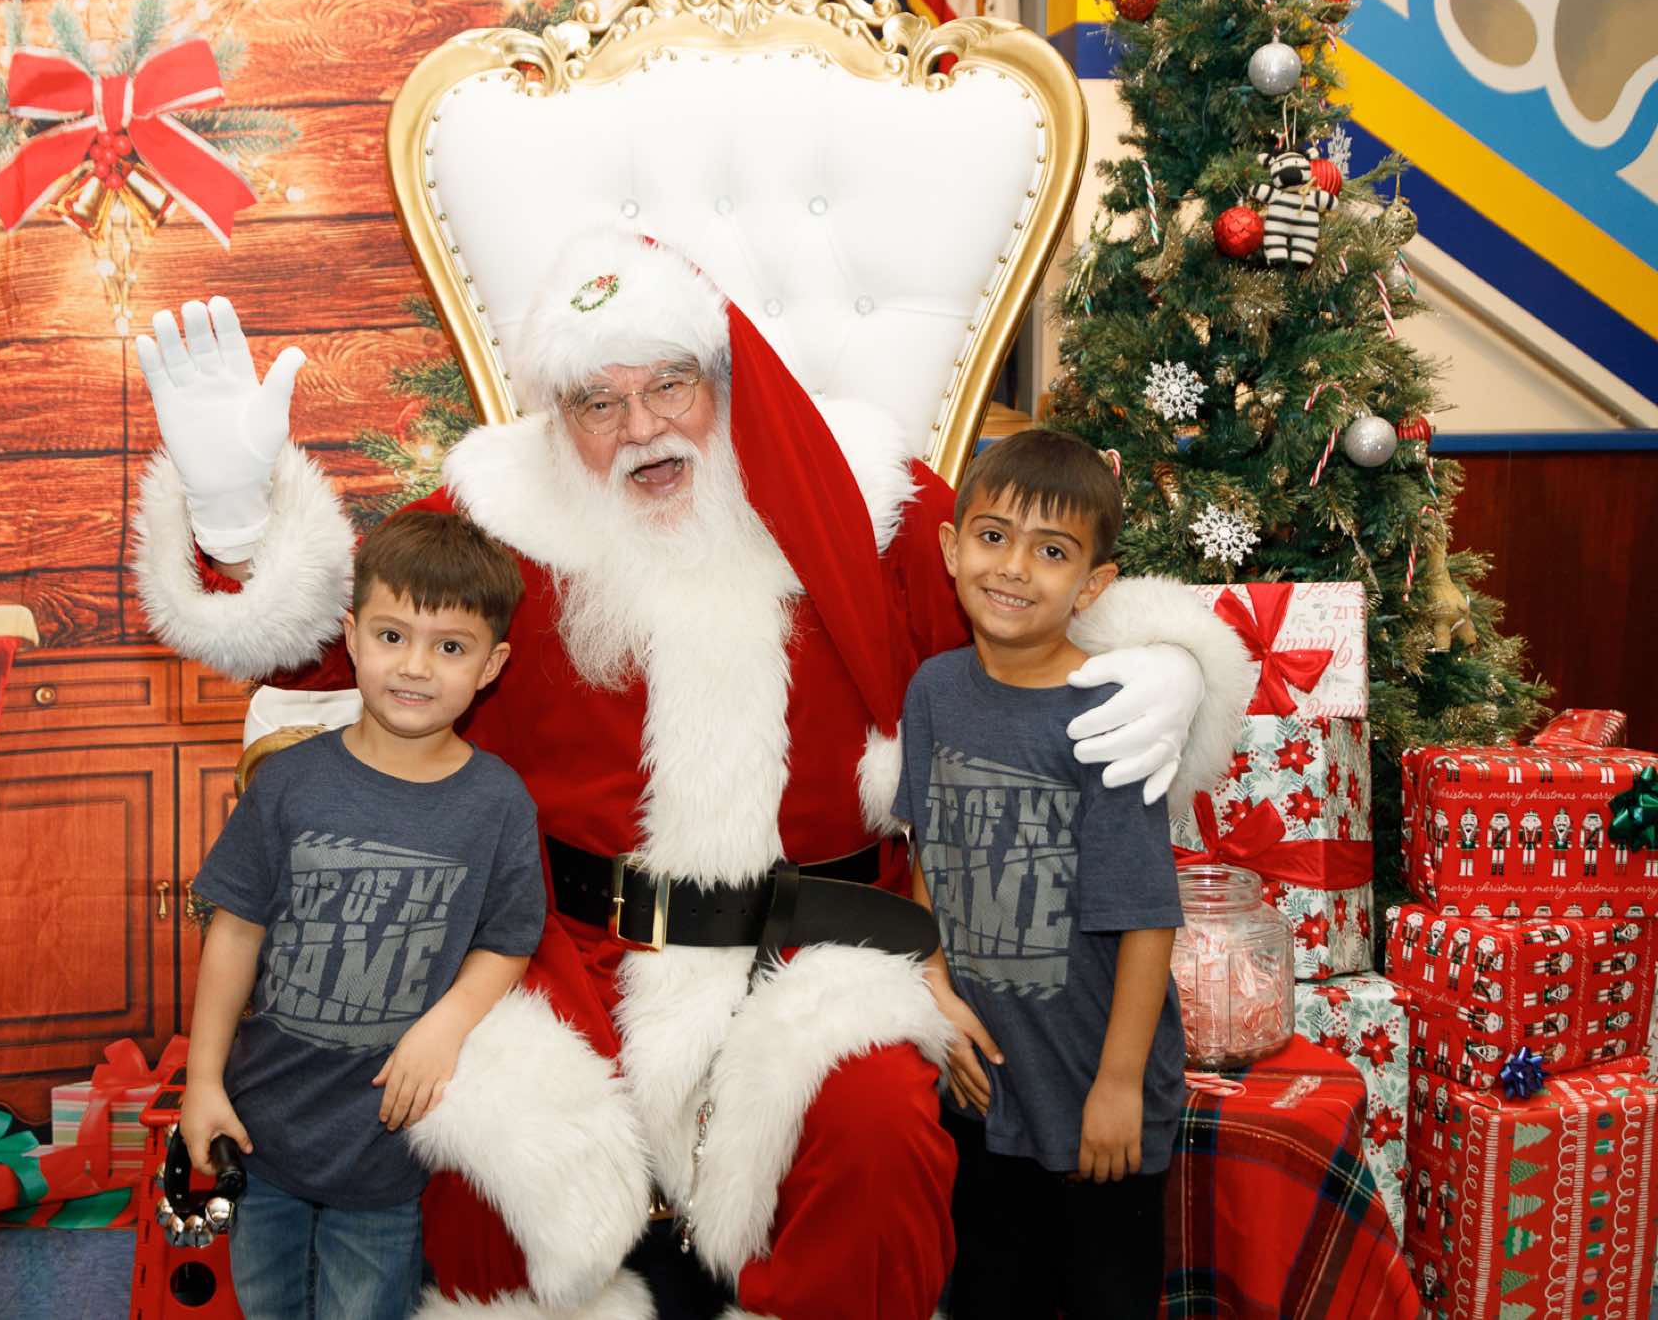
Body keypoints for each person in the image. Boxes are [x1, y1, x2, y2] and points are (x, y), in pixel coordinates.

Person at [131, 230, 1252, 1320]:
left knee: (879, 1131)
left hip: (822, 951)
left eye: (668, 386)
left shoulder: (865, 497)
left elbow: (1028, 607)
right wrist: (236, 519)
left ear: (721, 376)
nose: (640, 430)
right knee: (492, 1155)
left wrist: (1166, 662)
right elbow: (328, 641)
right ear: (556, 419)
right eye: (597, 403)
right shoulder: (504, 518)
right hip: (566, 953)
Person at [179, 509, 545, 1320]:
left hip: (386, 1155)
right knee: (266, 1304)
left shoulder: (498, 804)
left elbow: (508, 940)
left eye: (450, 647)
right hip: (263, 1131)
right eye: (391, 635)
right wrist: (203, 1080)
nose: (415, 666)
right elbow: (233, 931)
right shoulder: (288, 782)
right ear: (351, 637)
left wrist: (446, 1024)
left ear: (492, 664)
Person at [896, 430, 1188, 1320]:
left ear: (1093, 584)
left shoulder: (1107, 713)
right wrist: (933, 986)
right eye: (994, 537)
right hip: (986, 1087)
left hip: (1097, 1091)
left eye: (1052, 551)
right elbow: (927, 851)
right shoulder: (933, 692)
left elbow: (1148, 917)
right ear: (952, 547)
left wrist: (1119, 1085)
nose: (1015, 567)